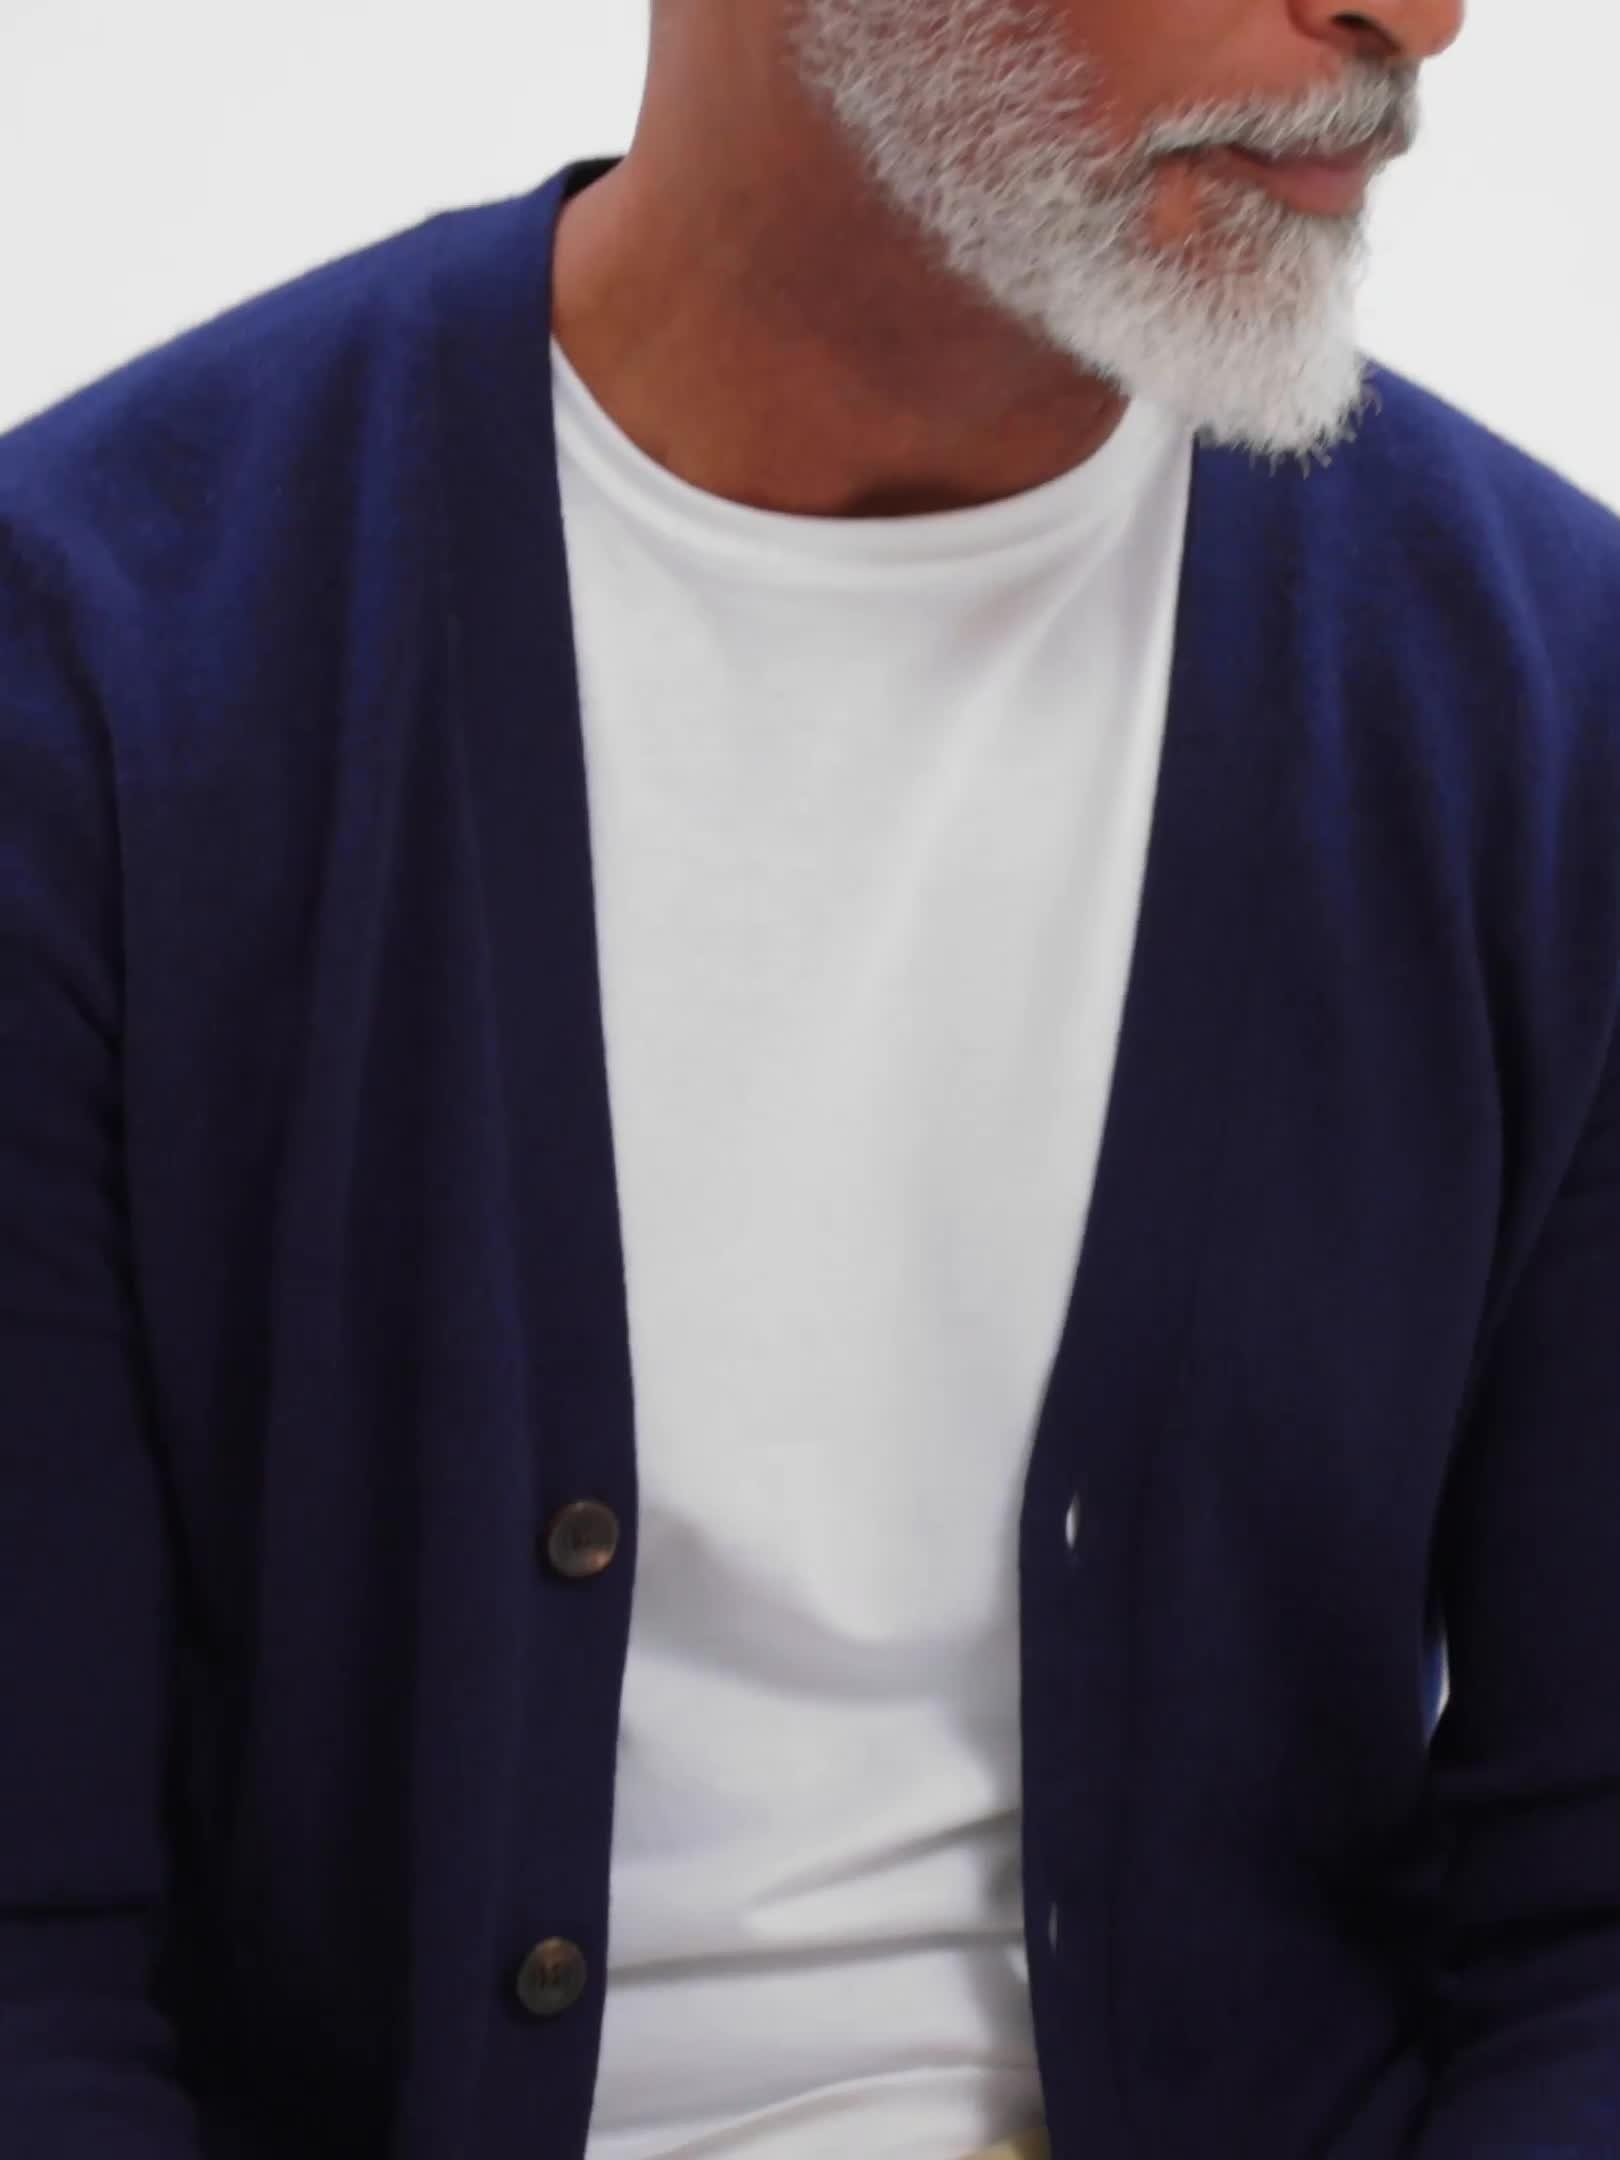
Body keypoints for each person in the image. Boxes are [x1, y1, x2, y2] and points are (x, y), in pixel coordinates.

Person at [2, 0, 1618, 2153]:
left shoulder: (1546, 719)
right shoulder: (101, 680)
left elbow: (1592, 1950)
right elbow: (30, 1981)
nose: (1418, 16)